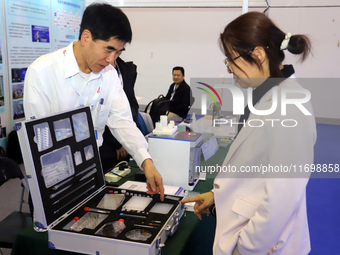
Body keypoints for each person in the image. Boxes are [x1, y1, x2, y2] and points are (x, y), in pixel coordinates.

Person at [181, 12, 316, 255]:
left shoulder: (290, 104)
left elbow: (284, 194)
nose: (230, 69)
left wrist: (246, 248)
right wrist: (217, 195)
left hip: (265, 245)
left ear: (258, 55)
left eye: (230, 60)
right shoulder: (266, 95)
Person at [23, 3, 164, 200]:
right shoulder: (43, 73)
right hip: (53, 180)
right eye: (108, 50)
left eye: (119, 52)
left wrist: (146, 161)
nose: (111, 59)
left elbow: (122, 121)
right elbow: (41, 141)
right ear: (86, 37)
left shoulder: (109, 75)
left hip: (91, 172)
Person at [100, 57, 139, 172]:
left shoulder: (125, 69)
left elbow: (132, 102)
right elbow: (100, 115)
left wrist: (127, 138)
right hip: (107, 142)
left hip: (124, 133)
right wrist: (117, 144)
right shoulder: (99, 70)